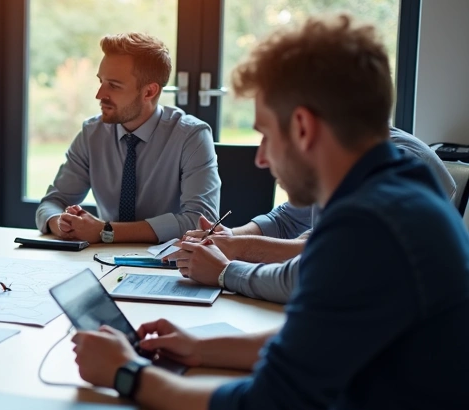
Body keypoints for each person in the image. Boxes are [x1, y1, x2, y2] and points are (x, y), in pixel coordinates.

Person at [72, 15, 469, 410]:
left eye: (264, 134)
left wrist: (127, 374)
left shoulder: (369, 227)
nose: (261, 158)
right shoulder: (397, 186)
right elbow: (316, 337)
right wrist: (200, 347)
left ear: (302, 127)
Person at [169, 127, 457, 303]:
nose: (261, 158)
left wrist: (226, 269)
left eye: (271, 134)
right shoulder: (341, 163)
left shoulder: (389, 176)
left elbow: (312, 267)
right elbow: (289, 222)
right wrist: (229, 237)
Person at [35, 33, 219, 244]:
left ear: (149, 91)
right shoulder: (92, 134)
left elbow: (200, 221)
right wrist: (62, 223)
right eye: (101, 81)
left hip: (170, 260)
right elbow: (52, 203)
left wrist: (106, 231)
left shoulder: (191, 136)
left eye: (113, 85)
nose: (99, 94)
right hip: (100, 258)